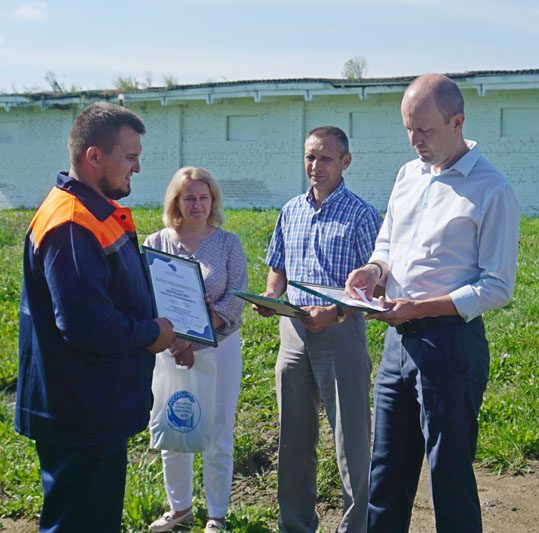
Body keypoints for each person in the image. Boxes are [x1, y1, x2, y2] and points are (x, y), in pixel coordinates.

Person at [345, 74, 520, 533]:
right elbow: (387, 244)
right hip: (397, 344)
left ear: (457, 122)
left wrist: (419, 308)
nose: (414, 140)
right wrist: (374, 271)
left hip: (450, 347)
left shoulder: (491, 189)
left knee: (449, 475)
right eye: (408, 129)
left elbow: (498, 286)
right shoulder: (408, 175)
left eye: (424, 130)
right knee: (386, 472)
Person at [15, 102, 176, 533]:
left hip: (92, 406)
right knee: (79, 522)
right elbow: (87, 325)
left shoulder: (93, 211)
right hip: (79, 410)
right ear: (93, 157)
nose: (138, 168)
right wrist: (151, 334)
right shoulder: (71, 223)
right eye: (130, 157)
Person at [254, 126, 382, 533]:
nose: (316, 166)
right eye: (310, 157)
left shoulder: (361, 215)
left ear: (345, 162)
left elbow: (376, 285)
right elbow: (278, 266)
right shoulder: (291, 210)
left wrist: (337, 312)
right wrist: (269, 297)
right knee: (292, 437)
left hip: (340, 333)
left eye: (325, 158)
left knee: (351, 441)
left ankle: (354, 526)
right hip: (293, 334)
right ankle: (295, 524)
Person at [146, 167, 247, 533]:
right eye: (189, 197)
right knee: (175, 426)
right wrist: (177, 342)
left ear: (213, 200)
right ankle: (180, 508)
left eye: (204, 197)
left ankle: (216, 514)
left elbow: (236, 300)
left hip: (218, 349)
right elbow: (148, 297)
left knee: (219, 431)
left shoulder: (228, 244)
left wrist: (200, 332)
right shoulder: (157, 243)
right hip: (169, 350)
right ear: (176, 201)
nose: (198, 204)